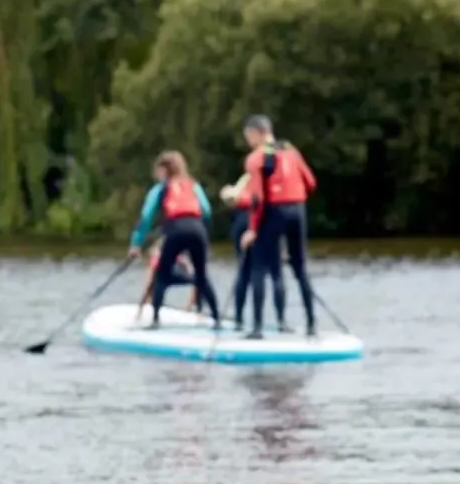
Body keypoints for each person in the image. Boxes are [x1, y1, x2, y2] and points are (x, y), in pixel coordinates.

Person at [239, 114, 317, 338]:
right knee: (300, 267)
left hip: (273, 211)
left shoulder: (256, 158)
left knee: (259, 267)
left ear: (256, 133)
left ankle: (257, 328)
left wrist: (253, 229)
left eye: (248, 137)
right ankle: (312, 324)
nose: (248, 142)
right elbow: (311, 182)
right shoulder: (292, 152)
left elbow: (257, 198)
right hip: (298, 210)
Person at [127, 150, 221, 329]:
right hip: (198, 230)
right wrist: (197, 230)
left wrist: (135, 244)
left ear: (164, 170)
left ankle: (155, 320)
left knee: (161, 274)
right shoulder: (193, 185)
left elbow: (146, 217)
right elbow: (207, 211)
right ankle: (217, 319)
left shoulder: (161, 188)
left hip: (176, 230)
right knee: (201, 276)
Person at [220, 173, 286, 331]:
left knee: (245, 272)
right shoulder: (276, 176)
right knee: (275, 272)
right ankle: (281, 322)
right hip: (267, 219)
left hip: (242, 220)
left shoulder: (249, 175)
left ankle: (239, 320)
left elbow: (230, 196)